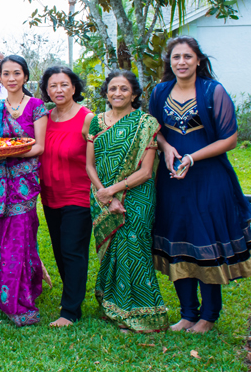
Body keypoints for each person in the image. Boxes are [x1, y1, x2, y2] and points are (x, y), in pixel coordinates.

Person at [150, 37, 251, 334]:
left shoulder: (214, 91)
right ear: (170, 62)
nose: (182, 62)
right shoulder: (160, 92)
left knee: (206, 242)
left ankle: (208, 316)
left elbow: (230, 139)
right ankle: (187, 313)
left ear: (198, 60)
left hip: (209, 179)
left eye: (188, 57)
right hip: (173, 181)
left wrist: (191, 157)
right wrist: (166, 148)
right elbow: (153, 129)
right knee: (177, 240)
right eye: (176, 57)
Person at [87, 70, 168, 333]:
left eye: (124, 89)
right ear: (106, 93)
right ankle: (114, 308)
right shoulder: (95, 123)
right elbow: (89, 165)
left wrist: (114, 191)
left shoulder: (146, 123)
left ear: (134, 94)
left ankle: (143, 315)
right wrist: (104, 193)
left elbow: (146, 172)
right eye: (112, 88)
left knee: (134, 251)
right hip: (101, 195)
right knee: (113, 253)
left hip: (137, 196)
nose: (117, 93)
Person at [0, 55, 47, 326]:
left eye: (17, 73)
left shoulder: (36, 106)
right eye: (6, 73)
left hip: (24, 182)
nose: (11, 78)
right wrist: (2, 151)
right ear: (0, 77)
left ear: (25, 76)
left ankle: (21, 298)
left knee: (20, 237)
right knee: (2, 238)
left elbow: (39, 147)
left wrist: (12, 151)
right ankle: (10, 291)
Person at [38, 66, 94, 327]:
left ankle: (71, 311)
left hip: (78, 195)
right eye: (52, 85)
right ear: (46, 90)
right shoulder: (45, 118)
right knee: (61, 251)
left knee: (73, 250)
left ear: (74, 88)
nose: (58, 90)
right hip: (50, 195)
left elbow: (99, 159)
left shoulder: (87, 119)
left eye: (64, 84)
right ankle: (71, 296)